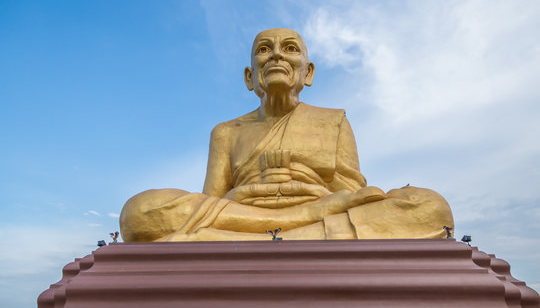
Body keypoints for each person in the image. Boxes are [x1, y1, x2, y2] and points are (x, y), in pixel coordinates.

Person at [120, 28, 453, 242]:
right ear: (250, 77)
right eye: (265, 49)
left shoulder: (333, 121)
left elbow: (352, 194)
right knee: (138, 211)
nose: (276, 55)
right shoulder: (226, 132)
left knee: (430, 207)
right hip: (253, 215)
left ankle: (256, 241)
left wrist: (313, 195)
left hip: (308, 209)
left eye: (289, 48)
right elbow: (211, 203)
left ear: (307, 72)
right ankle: (286, 234)